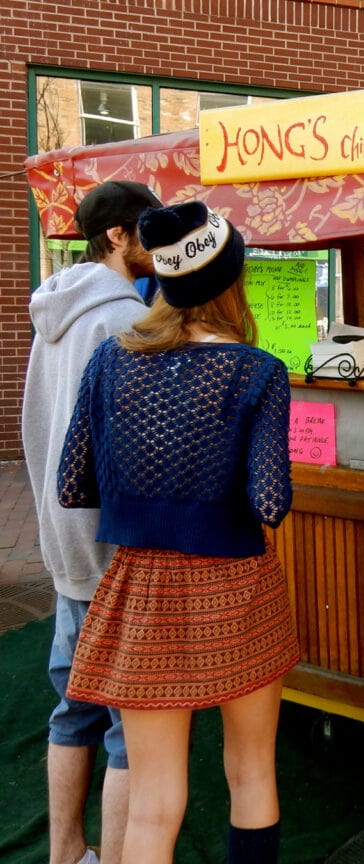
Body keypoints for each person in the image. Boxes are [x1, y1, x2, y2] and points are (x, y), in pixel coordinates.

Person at [56, 201, 299, 864]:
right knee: (252, 773)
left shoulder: (111, 362)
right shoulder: (257, 371)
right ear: (230, 279)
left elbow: (71, 487)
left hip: (140, 588)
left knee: (155, 800)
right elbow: (271, 502)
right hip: (237, 586)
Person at [22, 179, 162, 864]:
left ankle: (65, 853)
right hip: (111, 545)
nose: (159, 244)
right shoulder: (118, 322)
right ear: (117, 234)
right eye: (150, 229)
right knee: (128, 727)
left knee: (71, 708)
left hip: (61, 541)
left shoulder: (56, 311)